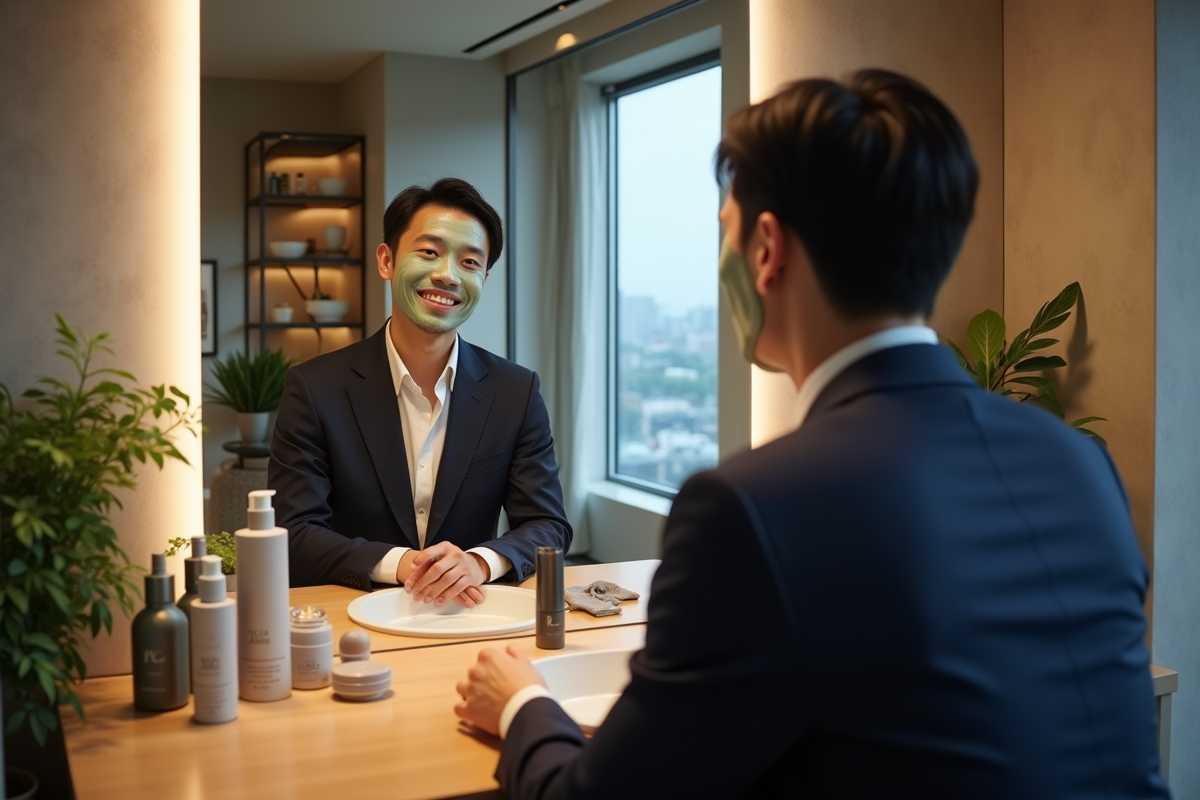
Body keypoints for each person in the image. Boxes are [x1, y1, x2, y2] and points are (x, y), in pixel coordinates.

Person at [453, 70, 1169, 798]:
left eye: (723, 231)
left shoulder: (751, 508)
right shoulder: (1082, 462)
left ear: (767, 250)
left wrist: (521, 703)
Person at [269, 178, 572, 605]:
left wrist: (479, 562)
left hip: (468, 617)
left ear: (484, 278)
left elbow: (548, 525)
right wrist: (403, 564)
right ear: (386, 260)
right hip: (349, 615)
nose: (446, 275)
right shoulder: (315, 389)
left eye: (469, 263)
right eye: (428, 252)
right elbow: (293, 532)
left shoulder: (515, 391)